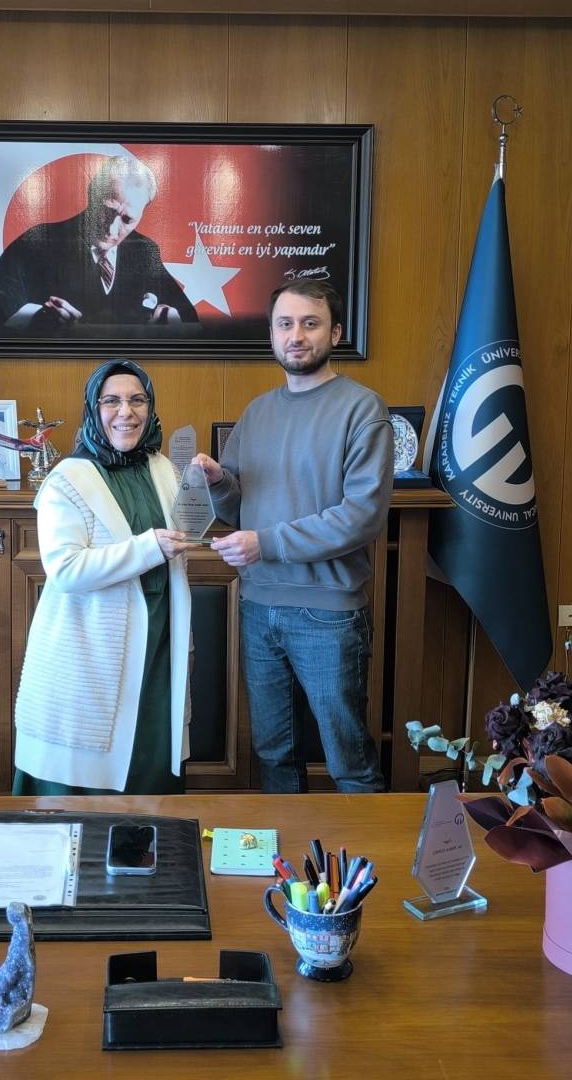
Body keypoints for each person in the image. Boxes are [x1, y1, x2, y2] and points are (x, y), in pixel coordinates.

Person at [192, 278, 393, 794]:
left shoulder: (362, 409)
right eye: (285, 324)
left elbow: (362, 516)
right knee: (273, 755)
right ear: (272, 334)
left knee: (348, 757)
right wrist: (217, 483)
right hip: (259, 607)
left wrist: (267, 543)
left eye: (310, 323)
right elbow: (237, 508)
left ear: (336, 333)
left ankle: (367, 848)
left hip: (329, 612)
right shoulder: (257, 412)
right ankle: (287, 851)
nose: (296, 335)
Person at [12, 359, 192, 794]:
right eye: (111, 401)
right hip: (89, 651)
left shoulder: (163, 468)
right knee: (82, 781)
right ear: (93, 410)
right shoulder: (66, 479)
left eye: (137, 400)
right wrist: (149, 547)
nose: (125, 412)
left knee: (150, 765)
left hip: (158, 645)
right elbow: (65, 569)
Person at [0, 156, 199, 334]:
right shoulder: (37, 244)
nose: (112, 230)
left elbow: (193, 323)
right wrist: (34, 320)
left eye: (127, 220)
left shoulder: (143, 251)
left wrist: (174, 322)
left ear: (142, 214)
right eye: (107, 211)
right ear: (91, 194)